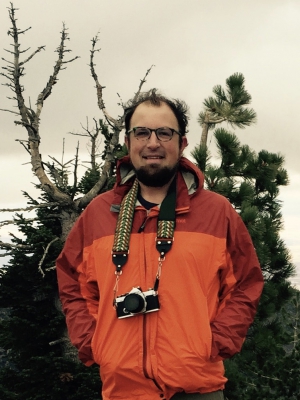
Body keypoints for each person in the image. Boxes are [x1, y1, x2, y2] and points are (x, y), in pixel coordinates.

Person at [56, 89, 264, 400]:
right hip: (122, 390)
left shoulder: (217, 212)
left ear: (181, 143)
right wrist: (93, 342)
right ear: (128, 143)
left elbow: (246, 284)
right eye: (142, 132)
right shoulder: (98, 214)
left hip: (197, 388)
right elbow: (72, 280)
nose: (153, 143)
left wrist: (215, 342)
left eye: (164, 133)